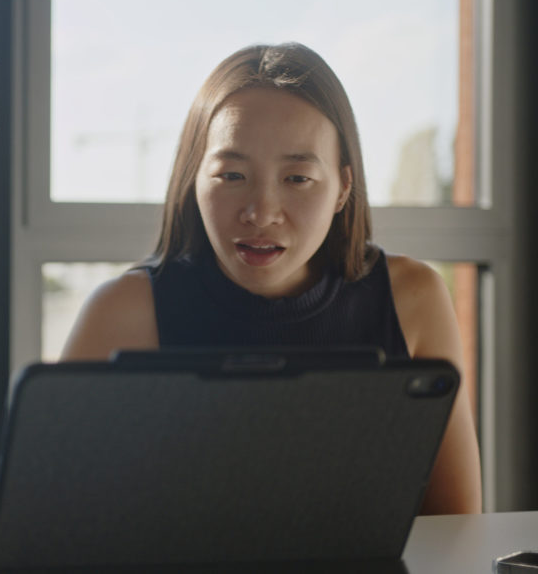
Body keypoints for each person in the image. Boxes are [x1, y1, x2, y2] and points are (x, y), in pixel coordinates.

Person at [61, 42, 482, 516]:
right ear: (192, 180)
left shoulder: (412, 299)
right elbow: (52, 523)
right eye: (232, 175)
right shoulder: (123, 314)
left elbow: (455, 525)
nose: (261, 213)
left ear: (343, 187)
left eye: (297, 178)